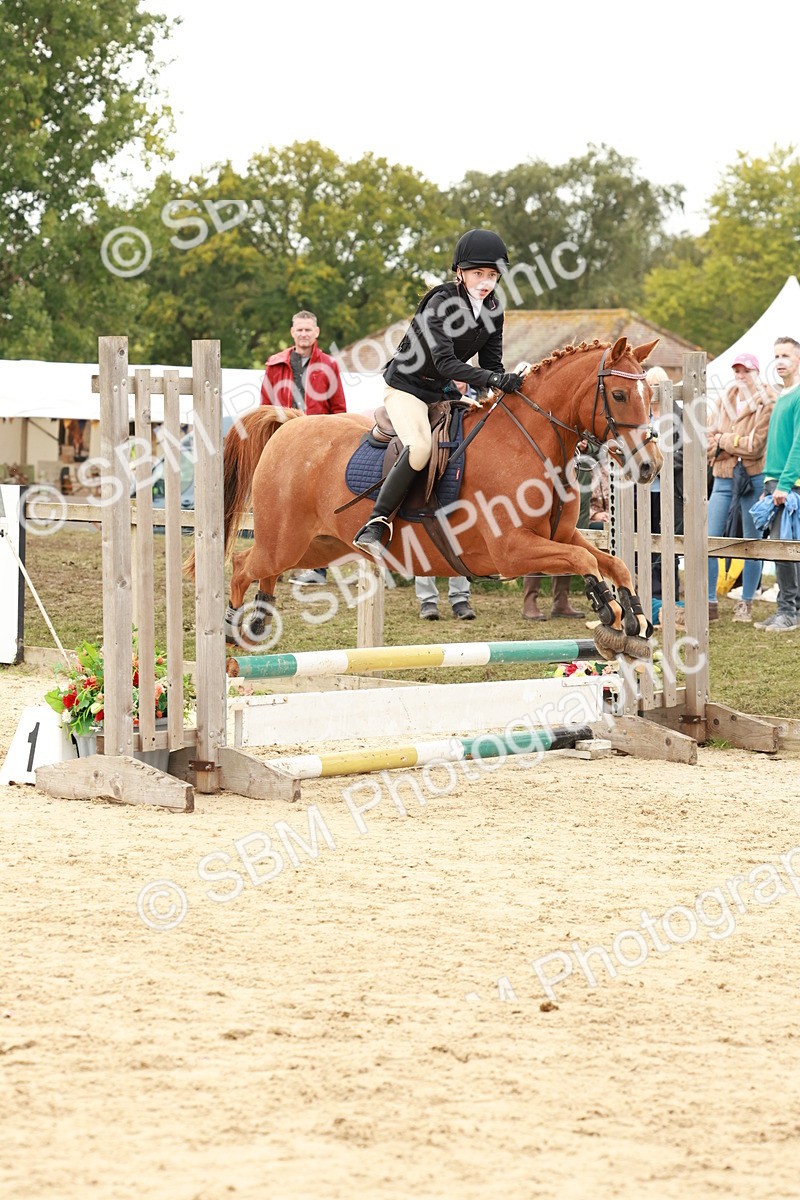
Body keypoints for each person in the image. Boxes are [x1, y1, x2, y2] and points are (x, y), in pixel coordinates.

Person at [352, 229, 523, 556]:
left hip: (439, 390)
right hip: (405, 387)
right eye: (478, 273)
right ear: (460, 272)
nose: (485, 281)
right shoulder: (441, 302)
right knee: (419, 448)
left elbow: (492, 363)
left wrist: (508, 389)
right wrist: (495, 379)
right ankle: (377, 522)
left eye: (492, 275)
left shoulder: (493, 308)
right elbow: (445, 362)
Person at [261, 310, 347, 583]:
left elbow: (339, 409)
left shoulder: (329, 365)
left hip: (318, 444)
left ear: (316, 332)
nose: (304, 334)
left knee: (316, 503)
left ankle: (317, 569)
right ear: (292, 331)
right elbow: (265, 407)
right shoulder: (275, 365)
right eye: (299, 330)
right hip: (285, 441)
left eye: (308, 330)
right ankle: (275, 563)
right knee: (281, 502)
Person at [707, 352, 775, 622]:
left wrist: (722, 441)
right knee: (710, 539)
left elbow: (755, 447)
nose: (740, 375)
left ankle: (746, 602)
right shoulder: (724, 398)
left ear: (757, 372)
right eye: (736, 370)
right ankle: (709, 602)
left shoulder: (768, 402)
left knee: (752, 542)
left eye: (745, 370)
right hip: (723, 476)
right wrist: (726, 442)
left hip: (753, 478)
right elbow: (707, 440)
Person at [753, 336, 800, 633]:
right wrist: (767, 483)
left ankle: (789, 612)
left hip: (789, 485)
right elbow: (776, 445)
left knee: (785, 551)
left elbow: (798, 444)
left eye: (785, 355)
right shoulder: (783, 395)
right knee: (783, 549)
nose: (779, 361)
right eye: (776, 356)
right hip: (775, 482)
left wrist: (783, 484)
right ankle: (787, 607)